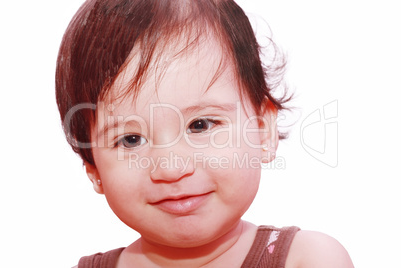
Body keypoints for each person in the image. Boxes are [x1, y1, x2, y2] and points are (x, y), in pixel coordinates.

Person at [56, 0, 354, 267]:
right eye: (131, 140)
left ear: (262, 132)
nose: (171, 168)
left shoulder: (309, 260)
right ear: (93, 168)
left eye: (200, 125)